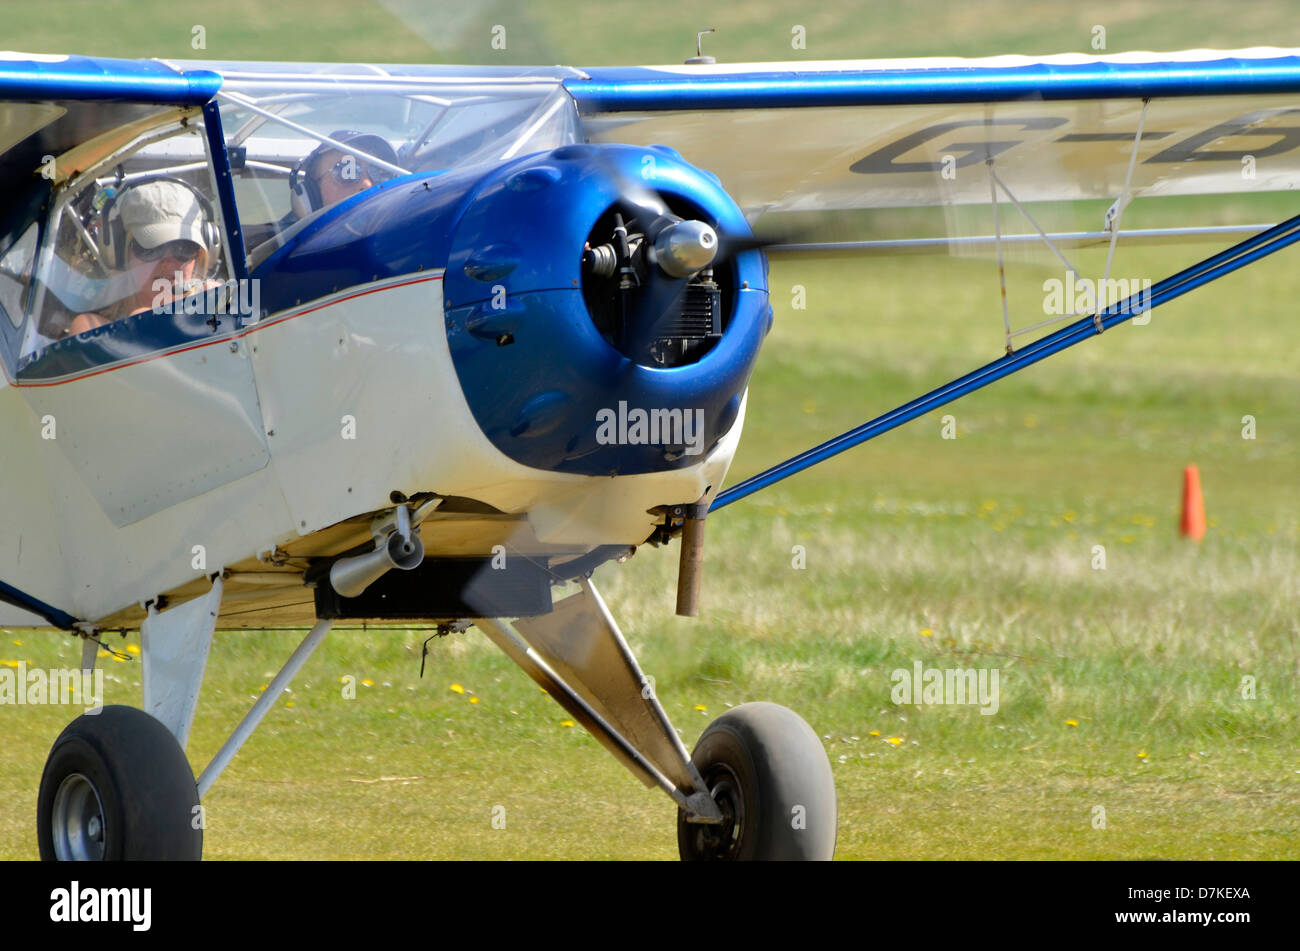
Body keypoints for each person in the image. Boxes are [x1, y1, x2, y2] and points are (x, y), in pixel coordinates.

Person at [65, 179, 219, 336]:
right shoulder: (92, 328)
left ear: (199, 254)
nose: (168, 263)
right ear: (119, 253)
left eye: (183, 248)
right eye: (151, 249)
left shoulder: (216, 307)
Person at [287, 130, 400, 221]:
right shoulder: (275, 244)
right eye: (347, 172)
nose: (367, 184)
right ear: (311, 194)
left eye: (378, 174)